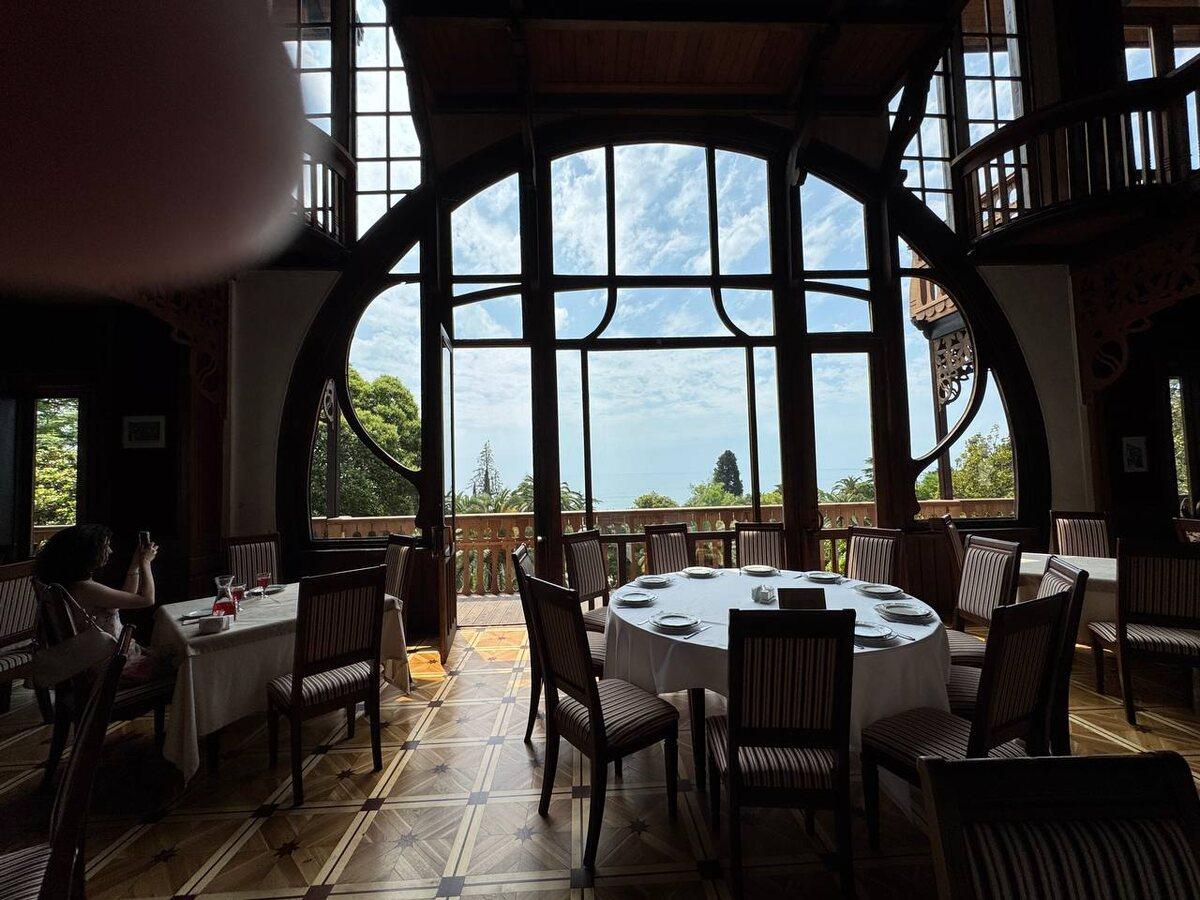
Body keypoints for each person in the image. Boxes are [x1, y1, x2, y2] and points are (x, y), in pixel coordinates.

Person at [34, 524, 164, 681]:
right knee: (177, 659)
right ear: (88, 553)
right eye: (106, 546)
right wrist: (146, 562)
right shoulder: (85, 588)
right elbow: (147, 600)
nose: (110, 551)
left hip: (105, 659)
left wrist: (135, 564)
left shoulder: (73, 585)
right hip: (111, 667)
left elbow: (126, 598)